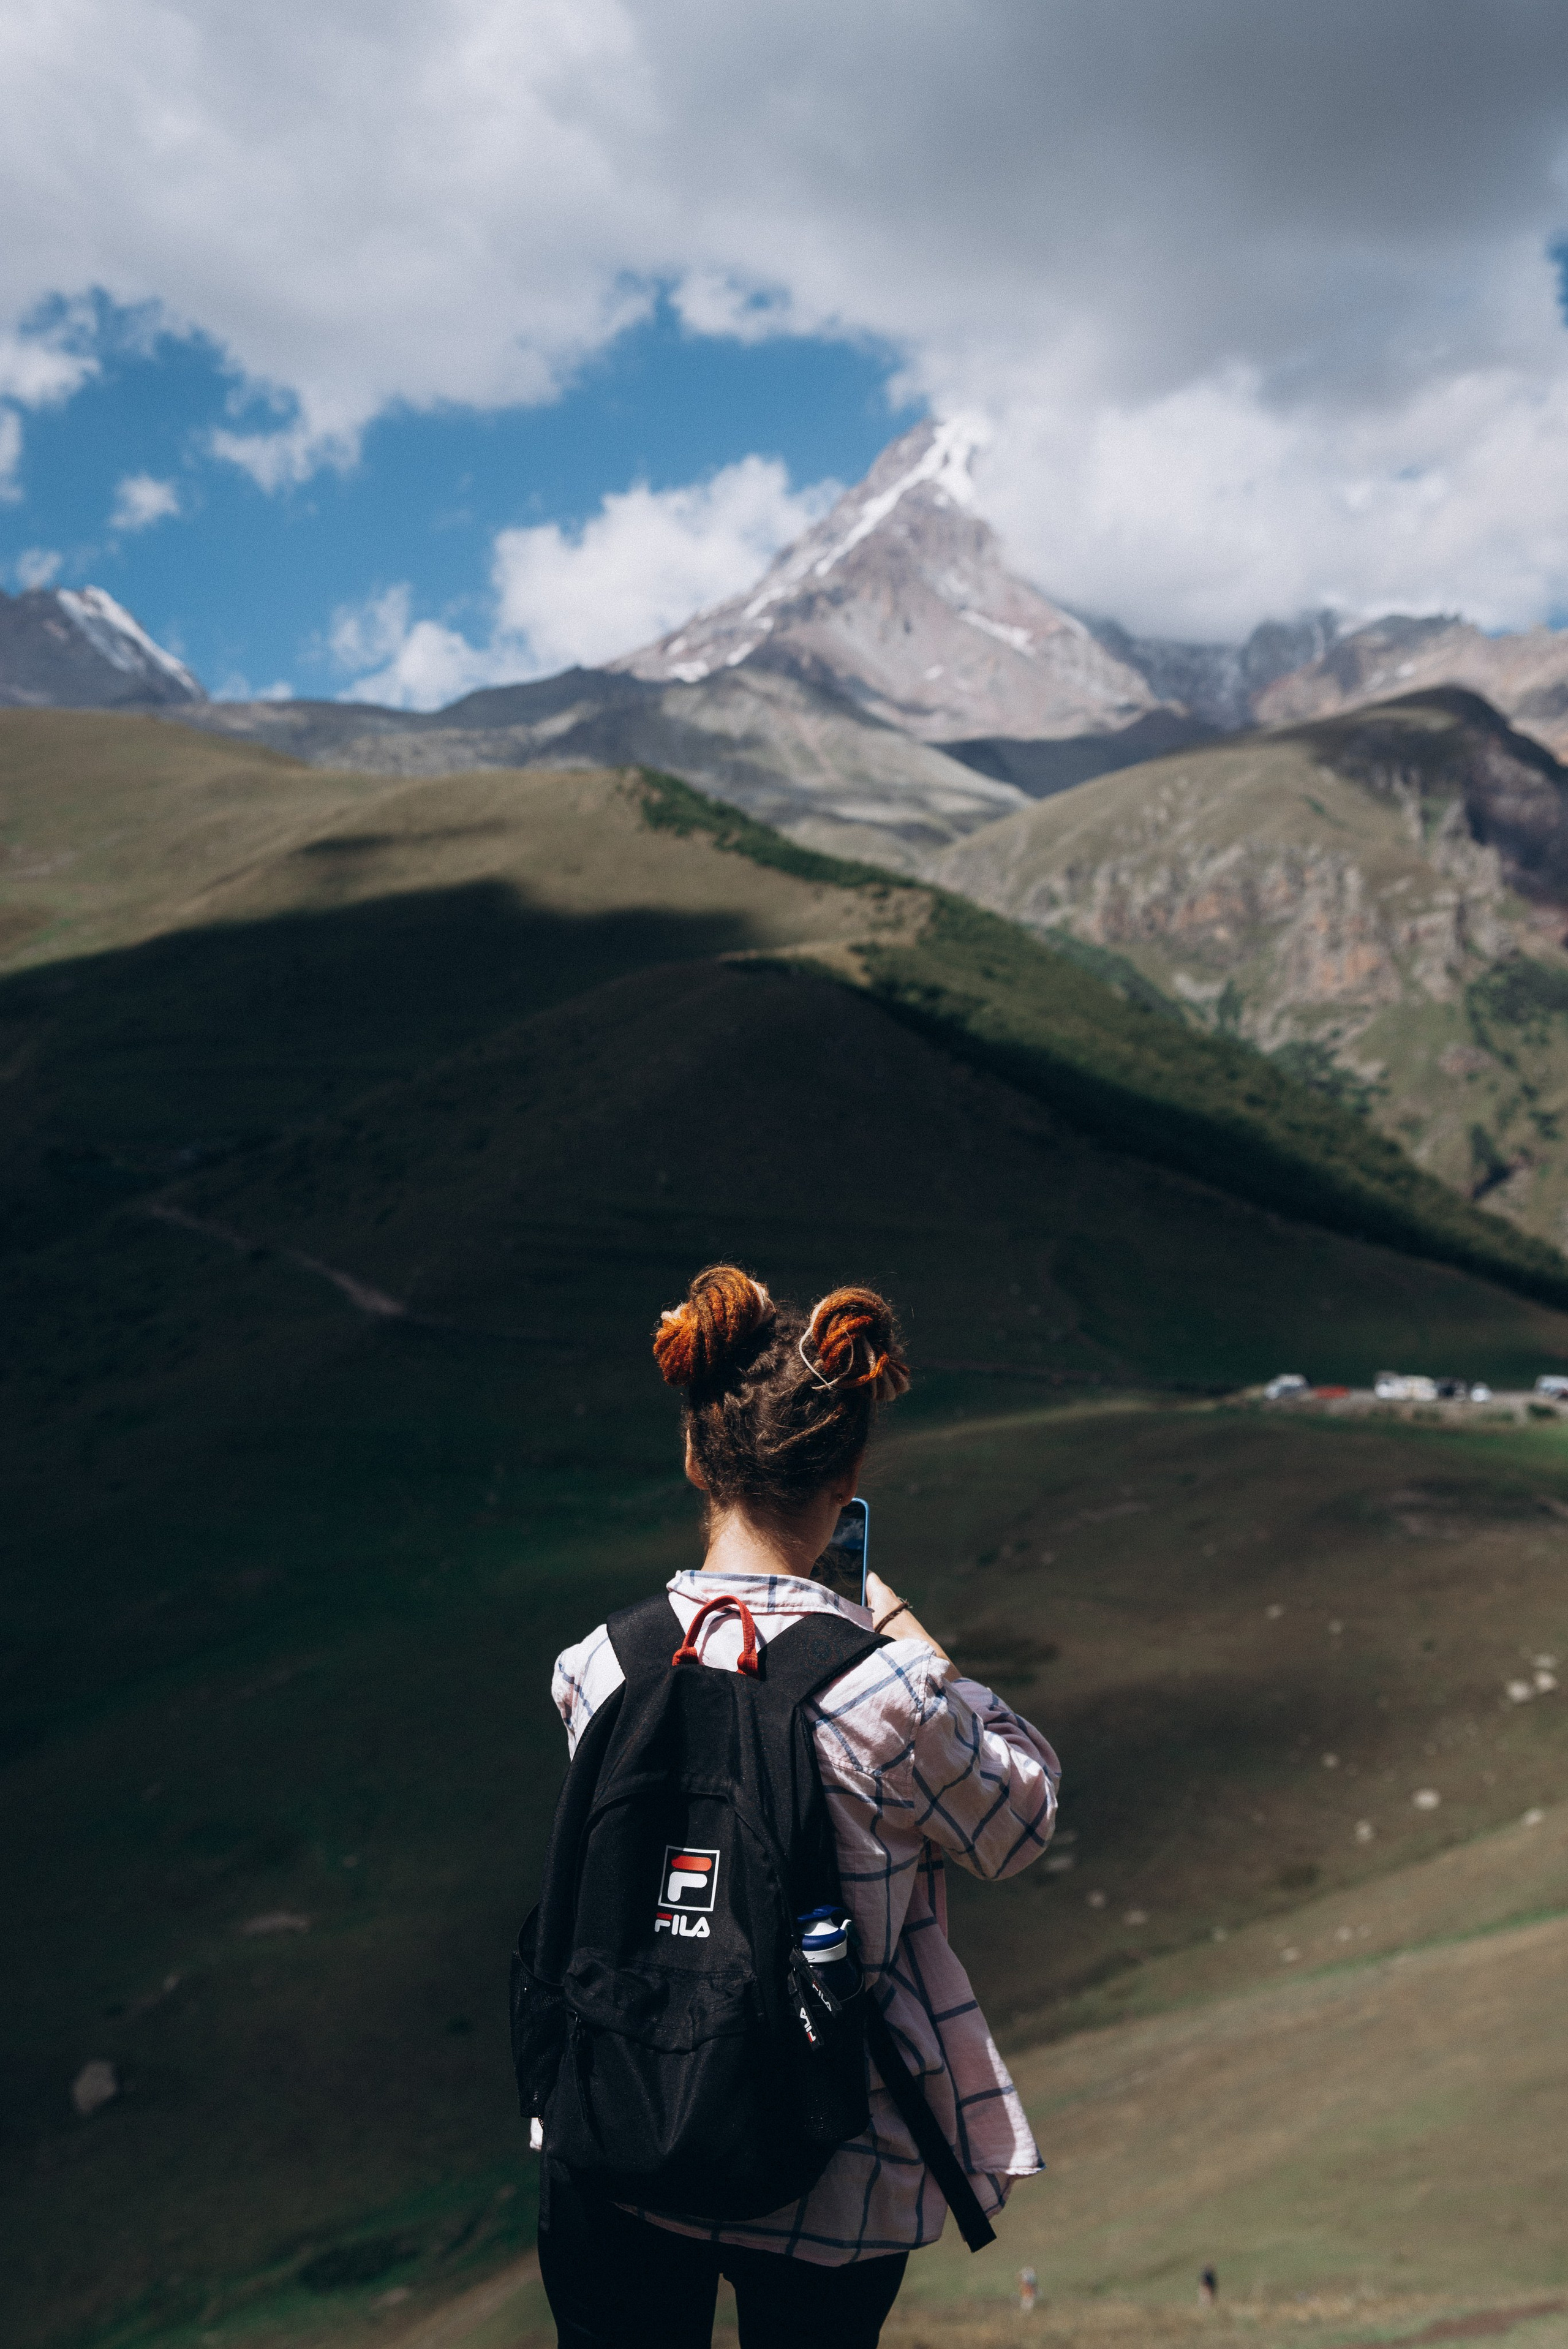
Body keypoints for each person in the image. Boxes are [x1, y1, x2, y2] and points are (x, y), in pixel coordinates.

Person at [537, 1265, 1061, 2349]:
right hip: (831, 2168)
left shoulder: (598, 1667)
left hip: (620, 2139)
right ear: (849, 1473)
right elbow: (1022, 1823)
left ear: (696, 1455)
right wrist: (909, 1629)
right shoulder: (884, 1693)